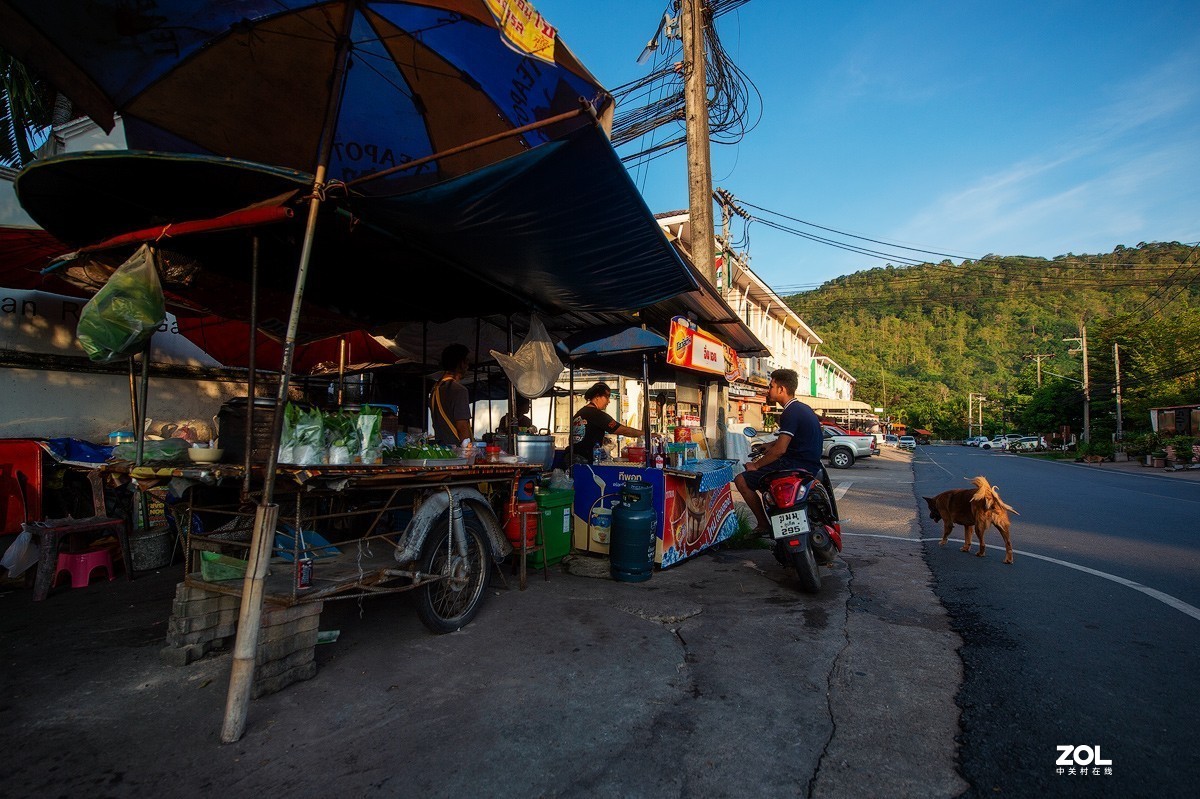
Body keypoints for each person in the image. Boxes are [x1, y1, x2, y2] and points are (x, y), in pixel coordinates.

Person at [734, 368, 838, 534]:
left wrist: (756, 465)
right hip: (810, 465)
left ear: (781, 389)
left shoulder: (789, 412)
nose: (768, 390)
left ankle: (763, 525)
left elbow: (780, 450)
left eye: (771, 386)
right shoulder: (803, 409)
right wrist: (770, 445)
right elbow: (790, 439)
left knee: (741, 479)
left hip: (792, 465)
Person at [570, 382, 643, 464]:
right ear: (597, 396)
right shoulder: (596, 414)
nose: (609, 401)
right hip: (584, 462)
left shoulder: (581, 412)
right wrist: (645, 434)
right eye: (607, 397)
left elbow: (588, 433)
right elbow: (622, 430)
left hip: (572, 458)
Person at [430, 344, 472, 446]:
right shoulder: (459, 390)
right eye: (466, 361)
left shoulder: (435, 389)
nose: (468, 365)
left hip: (441, 448)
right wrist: (468, 450)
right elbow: (462, 426)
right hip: (457, 451)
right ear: (460, 364)